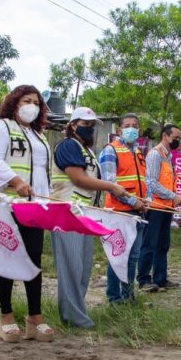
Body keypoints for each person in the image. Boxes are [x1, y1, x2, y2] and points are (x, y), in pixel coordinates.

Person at [0, 85, 55, 342]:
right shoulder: (1, 127)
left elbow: (42, 172)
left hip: (34, 207)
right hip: (7, 205)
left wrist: (47, 201)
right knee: (7, 257)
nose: (32, 106)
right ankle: (6, 317)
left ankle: (35, 317)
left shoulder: (39, 135)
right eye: (27, 100)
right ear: (15, 102)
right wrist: (15, 181)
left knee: (33, 259)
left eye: (36, 102)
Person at [50, 107, 129, 327]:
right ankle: (73, 318)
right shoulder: (68, 146)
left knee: (82, 269)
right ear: (73, 125)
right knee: (71, 270)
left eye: (92, 125)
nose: (89, 128)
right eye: (85, 124)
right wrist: (112, 187)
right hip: (67, 214)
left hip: (84, 215)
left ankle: (77, 313)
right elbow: (78, 179)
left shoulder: (86, 150)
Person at [98, 113, 147, 304]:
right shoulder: (111, 151)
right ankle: (115, 298)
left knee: (133, 257)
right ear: (119, 130)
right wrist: (133, 201)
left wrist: (146, 200)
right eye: (127, 125)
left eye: (135, 125)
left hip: (138, 212)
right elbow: (110, 184)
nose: (131, 129)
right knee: (118, 257)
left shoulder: (138, 153)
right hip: (119, 212)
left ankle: (128, 296)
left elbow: (143, 182)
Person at [137, 124, 181, 292]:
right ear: (165, 136)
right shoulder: (155, 155)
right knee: (149, 244)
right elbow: (151, 182)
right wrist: (174, 197)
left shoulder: (168, 156)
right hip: (156, 206)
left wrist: (174, 199)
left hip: (166, 207)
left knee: (163, 244)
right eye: (176, 138)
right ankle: (144, 280)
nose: (178, 141)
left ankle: (160, 278)